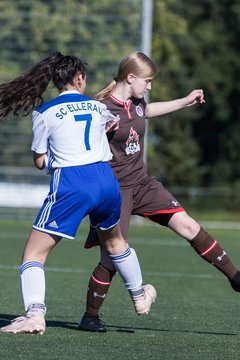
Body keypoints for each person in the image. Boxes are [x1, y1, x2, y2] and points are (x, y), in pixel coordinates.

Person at [78, 51, 240, 332]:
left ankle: (236, 278)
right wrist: (100, 134)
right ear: (130, 77)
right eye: (147, 81)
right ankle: (90, 317)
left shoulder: (137, 102)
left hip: (142, 183)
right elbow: (84, 147)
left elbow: (148, 112)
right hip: (115, 191)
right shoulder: (100, 108)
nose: (149, 87)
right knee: (111, 259)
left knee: (189, 225)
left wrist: (185, 101)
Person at [0, 52, 157, 335]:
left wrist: (56, 161)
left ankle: (35, 315)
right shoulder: (99, 108)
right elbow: (112, 125)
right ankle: (139, 295)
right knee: (116, 243)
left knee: (33, 254)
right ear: (81, 78)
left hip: (73, 184)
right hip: (106, 181)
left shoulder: (43, 113)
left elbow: (40, 161)